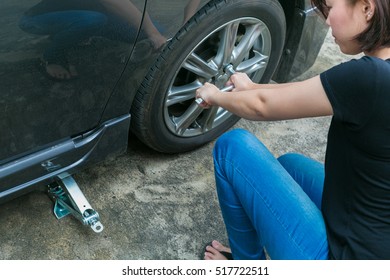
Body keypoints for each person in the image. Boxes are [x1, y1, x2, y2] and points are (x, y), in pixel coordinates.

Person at [196, 0, 390, 260]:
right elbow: (303, 93)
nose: (328, 21)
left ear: (367, 8)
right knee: (290, 166)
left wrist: (216, 95)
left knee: (232, 148)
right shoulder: (380, 74)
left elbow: (262, 107)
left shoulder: (370, 77)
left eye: (331, 8)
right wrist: (251, 88)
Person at [19, 0, 166, 81]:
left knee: (155, 31)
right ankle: (50, 57)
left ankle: (77, 34)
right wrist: (152, 32)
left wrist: (153, 32)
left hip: (93, 14)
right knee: (93, 20)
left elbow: (132, 6)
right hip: (37, 18)